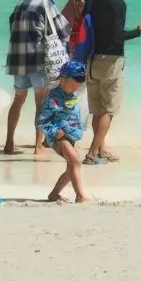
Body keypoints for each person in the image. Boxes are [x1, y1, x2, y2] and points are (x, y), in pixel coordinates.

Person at [79, 0, 133, 166]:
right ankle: (93, 153)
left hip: (92, 58)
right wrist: (138, 31)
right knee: (108, 110)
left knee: (97, 109)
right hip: (111, 60)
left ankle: (101, 149)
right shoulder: (118, 4)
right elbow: (117, 35)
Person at [1, 0, 62, 154]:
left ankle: (9, 143)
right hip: (37, 59)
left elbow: (12, 26)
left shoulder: (20, 3)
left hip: (17, 59)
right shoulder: (46, 5)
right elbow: (62, 29)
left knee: (18, 100)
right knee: (40, 103)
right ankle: (38, 146)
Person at [40, 62, 90, 203]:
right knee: (75, 161)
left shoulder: (73, 96)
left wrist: (78, 131)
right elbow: (41, 121)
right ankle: (80, 196)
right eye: (74, 85)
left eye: (79, 85)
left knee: (72, 167)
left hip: (71, 135)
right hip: (58, 137)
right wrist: (55, 131)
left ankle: (54, 194)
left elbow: (76, 117)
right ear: (62, 79)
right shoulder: (52, 98)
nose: (76, 88)